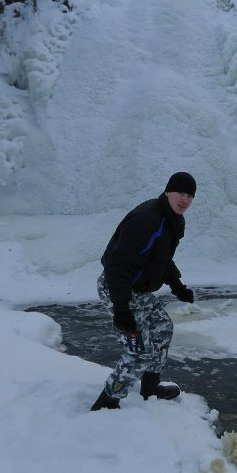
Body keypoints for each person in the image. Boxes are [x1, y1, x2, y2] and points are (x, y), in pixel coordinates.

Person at [90, 172, 197, 411]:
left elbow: (161, 259)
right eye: (181, 193)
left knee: (162, 328)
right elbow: (116, 266)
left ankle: (150, 387)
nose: (185, 200)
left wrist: (177, 286)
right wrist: (121, 310)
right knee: (138, 352)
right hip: (118, 288)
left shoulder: (172, 220)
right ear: (168, 191)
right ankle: (107, 402)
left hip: (138, 290)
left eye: (190, 196)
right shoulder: (147, 219)